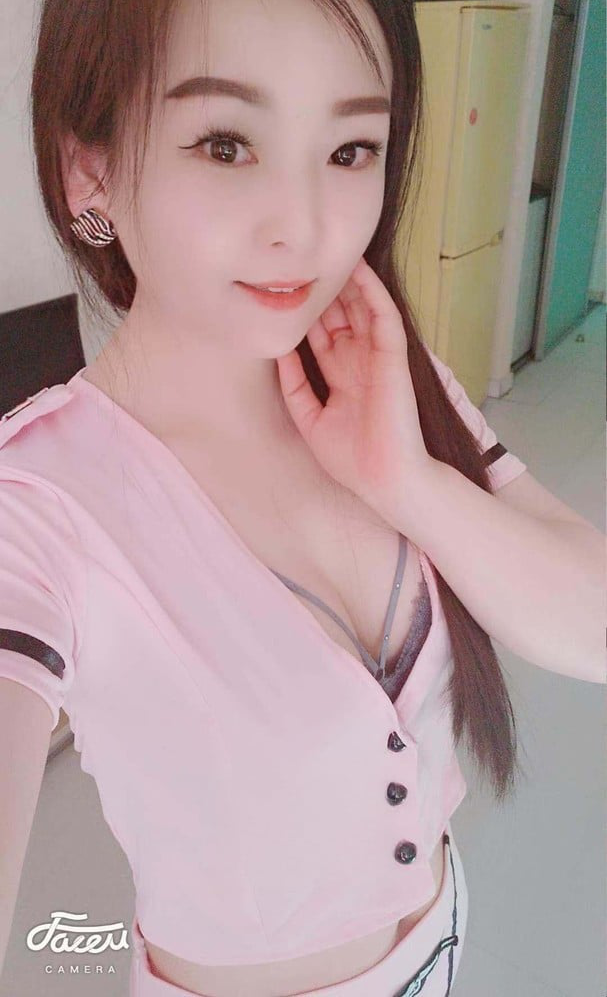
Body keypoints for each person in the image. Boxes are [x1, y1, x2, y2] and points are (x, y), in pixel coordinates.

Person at [1, 1, 604, 995]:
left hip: (445, 938)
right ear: (88, 170)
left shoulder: (385, 380)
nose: (307, 227)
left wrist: (405, 479)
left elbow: (595, 625)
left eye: (350, 149)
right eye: (225, 144)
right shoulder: (39, 503)